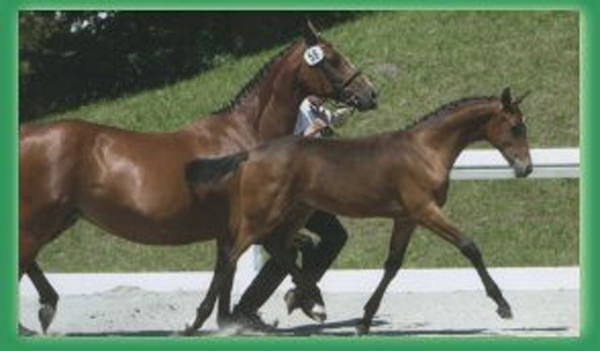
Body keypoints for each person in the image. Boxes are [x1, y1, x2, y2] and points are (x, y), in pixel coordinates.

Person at [230, 96, 353, 330]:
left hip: (306, 195)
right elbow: (278, 149)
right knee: (284, 248)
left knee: (335, 236)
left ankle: (301, 292)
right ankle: (247, 310)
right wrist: (309, 134)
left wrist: (335, 121)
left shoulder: (317, 110)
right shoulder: (292, 109)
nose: (327, 96)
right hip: (282, 194)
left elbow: (329, 127)